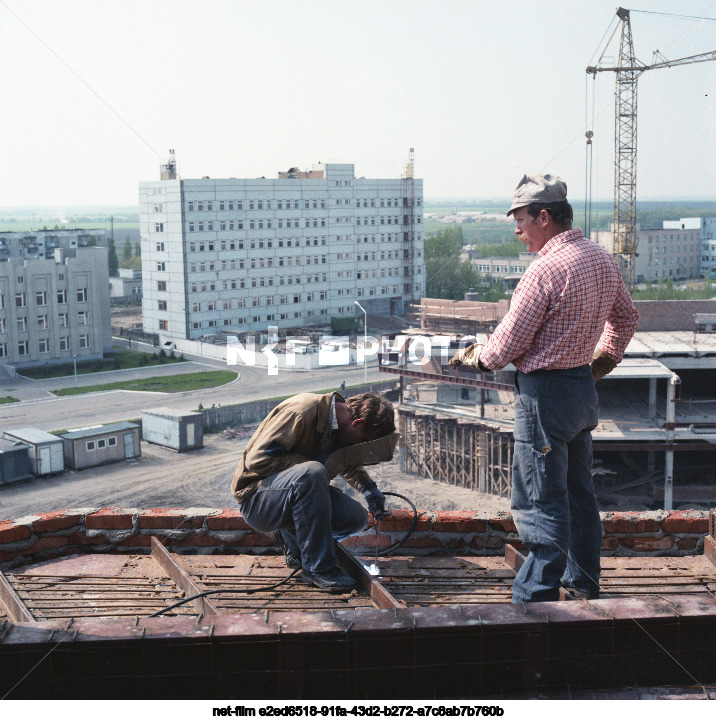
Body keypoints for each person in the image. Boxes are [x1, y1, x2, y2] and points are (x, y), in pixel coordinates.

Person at [449, 173, 639, 603]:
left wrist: (473, 355)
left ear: (545, 217)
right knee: (579, 493)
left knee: (539, 499)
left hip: (543, 398)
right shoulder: (601, 259)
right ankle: (583, 582)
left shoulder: (544, 272)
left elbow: (504, 350)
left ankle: (535, 595)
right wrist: (601, 363)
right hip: (580, 390)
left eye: (520, 220)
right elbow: (627, 319)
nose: (516, 230)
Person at [231, 391, 397, 592]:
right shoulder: (301, 412)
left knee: (356, 518)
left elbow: (342, 457)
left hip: (291, 493)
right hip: (257, 499)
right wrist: (312, 466)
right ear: (358, 423)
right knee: (313, 472)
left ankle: (295, 542)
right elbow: (257, 460)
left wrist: (368, 487)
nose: (358, 445)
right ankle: (318, 569)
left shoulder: (336, 424)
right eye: (362, 439)